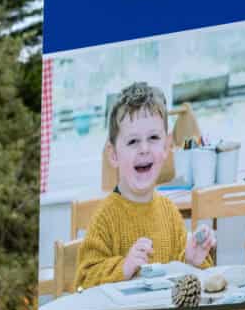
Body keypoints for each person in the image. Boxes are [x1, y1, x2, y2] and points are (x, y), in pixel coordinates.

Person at [75, 82, 214, 288]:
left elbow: (189, 285)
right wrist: (124, 267)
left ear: (166, 146)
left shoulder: (170, 213)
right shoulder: (105, 218)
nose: (144, 149)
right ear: (113, 154)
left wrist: (192, 261)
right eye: (132, 142)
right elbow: (84, 280)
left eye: (153, 138)